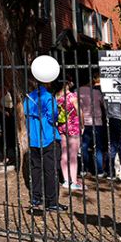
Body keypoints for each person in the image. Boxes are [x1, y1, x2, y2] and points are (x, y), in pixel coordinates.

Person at [24, 80, 63, 211]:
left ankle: (36, 199)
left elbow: (25, 114)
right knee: (51, 170)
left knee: (36, 169)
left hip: (33, 139)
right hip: (48, 138)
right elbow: (53, 118)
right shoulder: (48, 98)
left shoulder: (29, 97)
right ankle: (51, 202)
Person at [56, 80, 83, 191]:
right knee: (73, 155)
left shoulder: (57, 97)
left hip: (61, 126)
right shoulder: (72, 96)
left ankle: (66, 180)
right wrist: (82, 125)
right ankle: (74, 181)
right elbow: (79, 112)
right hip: (73, 127)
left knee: (64, 153)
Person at [77, 75, 106, 176]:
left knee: (84, 146)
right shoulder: (96, 92)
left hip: (84, 122)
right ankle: (99, 171)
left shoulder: (77, 91)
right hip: (97, 122)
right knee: (97, 147)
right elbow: (104, 104)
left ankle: (84, 169)